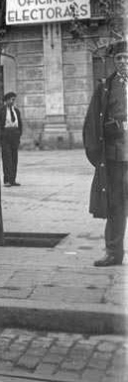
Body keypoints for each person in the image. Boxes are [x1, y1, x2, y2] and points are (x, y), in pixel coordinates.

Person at [83, 41, 128, 267]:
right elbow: (92, 123)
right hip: (117, 157)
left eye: (125, 57)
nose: (122, 62)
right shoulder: (106, 87)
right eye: (118, 58)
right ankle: (113, 252)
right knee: (116, 205)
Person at [0, 92, 23, 187]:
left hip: (15, 135)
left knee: (14, 159)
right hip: (6, 136)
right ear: (7, 100)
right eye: (12, 100)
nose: (13, 102)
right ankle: (7, 180)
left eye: (14, 100)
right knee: (7, 158)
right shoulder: (1, 110)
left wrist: (18, 134)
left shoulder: (16, 111)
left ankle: (13, 180)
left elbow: (20, 124)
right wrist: (1, 136)